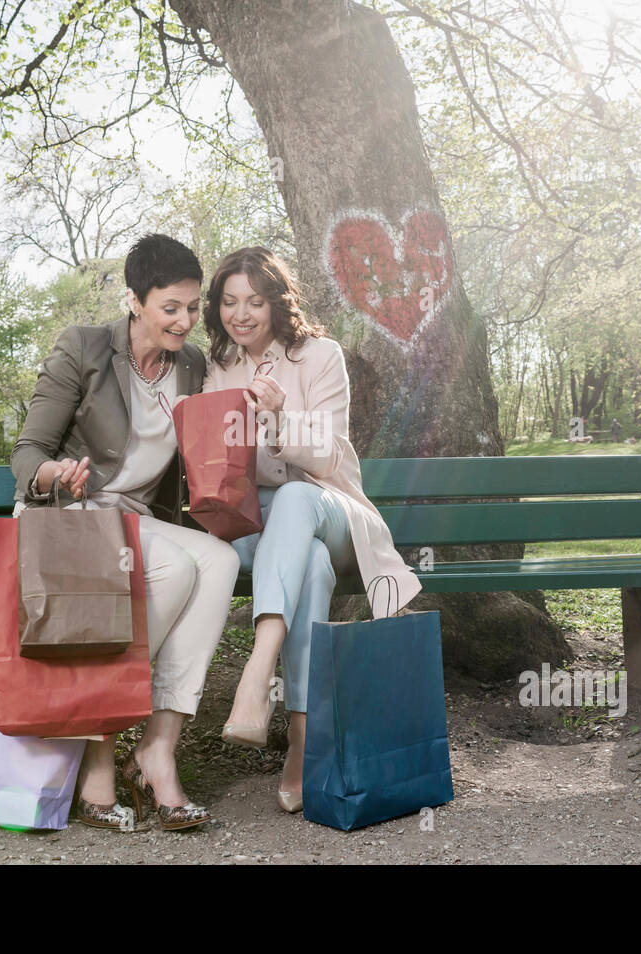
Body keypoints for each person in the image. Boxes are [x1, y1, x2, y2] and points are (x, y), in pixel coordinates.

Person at [11, 233, 240, 831]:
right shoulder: (83, 349)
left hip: (138, 522)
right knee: (176, 567)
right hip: (73, 520)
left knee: (220, 562)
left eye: (193, 308)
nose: (186, 321)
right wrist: (52, 473)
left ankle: (154, 749)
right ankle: (97, 743)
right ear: (135, 300)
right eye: (171, 308)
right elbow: (28, 449)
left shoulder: (191, 365)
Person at [201, 246, 421, 813]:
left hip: (331, 508)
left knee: (298, 498)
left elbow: (328, 455)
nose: (241, 314)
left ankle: (258, 668)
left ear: (277, 301)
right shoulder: (219, 367)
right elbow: (212, 461)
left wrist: (278, 419)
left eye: (254, 300)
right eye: (229, 301)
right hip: (257, 525)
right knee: (312, 567)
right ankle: (302, 741)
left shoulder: (320, 356)